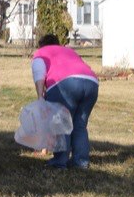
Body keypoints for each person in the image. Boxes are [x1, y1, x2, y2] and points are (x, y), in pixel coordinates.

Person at [32, 34, 99, 169]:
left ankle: (60, 162)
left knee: (61, 123)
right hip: (91, 83)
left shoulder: (41, 53)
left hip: (65, 83)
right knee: (80, 125)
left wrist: (40, 96)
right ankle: (81, 161)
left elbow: (39, 73)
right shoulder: (69, 51)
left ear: (41, 46)